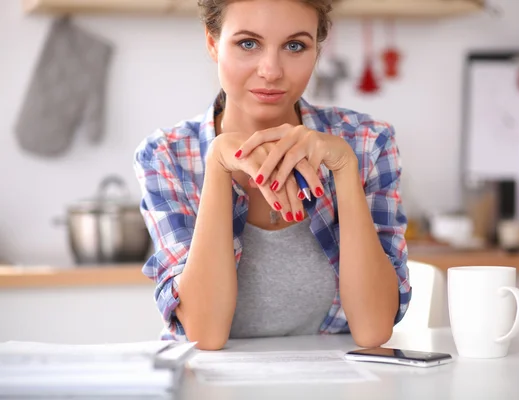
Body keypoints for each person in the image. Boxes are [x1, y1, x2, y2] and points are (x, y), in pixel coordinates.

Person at [133, 0, 411, 351]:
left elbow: (373, 330)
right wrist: (219, 164)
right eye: (248, 43)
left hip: (335, 379)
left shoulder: (366, 142)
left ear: (316, 49)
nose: (271, 70)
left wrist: (343, 168)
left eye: (295, 46)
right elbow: (204, 335)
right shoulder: (166, 155)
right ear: (212, 42)